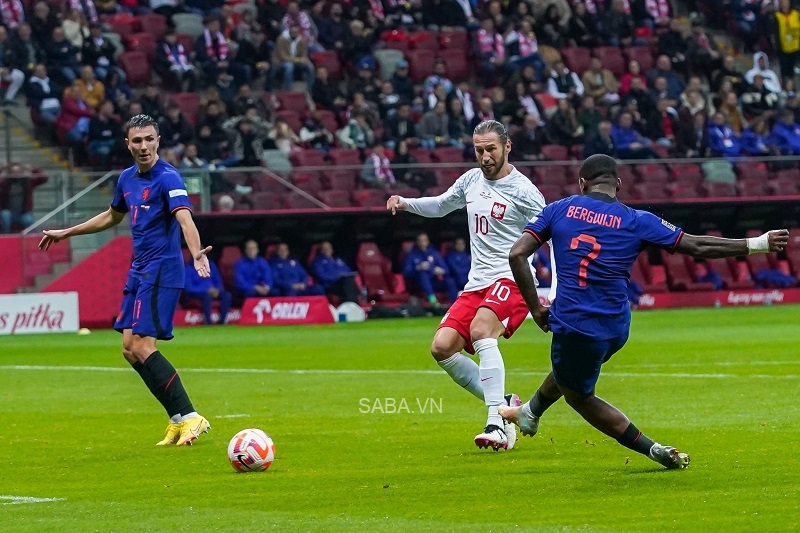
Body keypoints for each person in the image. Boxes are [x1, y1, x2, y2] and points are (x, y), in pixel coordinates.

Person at [502, 153, 790, 469]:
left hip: (575, 325)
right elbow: (697, 247)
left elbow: (517, 255)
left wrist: (537, 310)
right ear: (619, 185)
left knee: (579, 395)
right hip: (617, 327)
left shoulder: (558, 209)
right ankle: (530, 412)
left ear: (582, 183)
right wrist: (757, 243)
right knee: (574, 371)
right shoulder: (637, 220)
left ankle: (654, 450)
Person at [38, 114, 212, 447]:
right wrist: (66, 232)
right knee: (130, 350)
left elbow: (185, 219)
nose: (144, 146)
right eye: (137, 140)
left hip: (162, 270)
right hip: (140, 270)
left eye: (149, 139)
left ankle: (191, 416)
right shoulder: (127, 179)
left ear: (158, 140)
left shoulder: (168, 177)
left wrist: (196, 253)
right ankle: (177, 420)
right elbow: (111, 216)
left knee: (143, 346)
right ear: (127, 144)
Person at [386, 120, 547, 451]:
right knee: (442, 347)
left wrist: (556, 287)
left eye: (491, 149)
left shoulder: (525, 191)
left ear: (507, 147)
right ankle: (504, 400)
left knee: (481, 330)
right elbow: (443, 204)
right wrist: (406, 202)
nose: (485, 156)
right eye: (479, 150)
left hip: (511, 278)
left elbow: (553, 232)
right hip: (477, 283)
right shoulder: (471, 179)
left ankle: (496, 422)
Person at [402, 232, 459, 307]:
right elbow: (406, 272)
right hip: (418, 285)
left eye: (424, 240)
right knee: (423, 274)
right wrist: (417, 267)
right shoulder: (412, 254)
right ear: (417, 242)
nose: (423, 243)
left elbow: (446, 270)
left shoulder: (434, 253)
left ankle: (454, 305)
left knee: (450, 281)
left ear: (428, 241)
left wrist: (439, 270)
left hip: (433, 282)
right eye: (420, 241)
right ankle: (434, 302)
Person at [184, 254, 232, 325]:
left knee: (227, 295)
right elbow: (189, 287)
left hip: (213, 291)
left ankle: (222, 322)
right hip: (197, 293)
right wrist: (206, 290)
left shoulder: (211, 265)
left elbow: (218, 280)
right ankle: (208, 322)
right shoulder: (188, 268)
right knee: (207, 296)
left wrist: (217, 289)